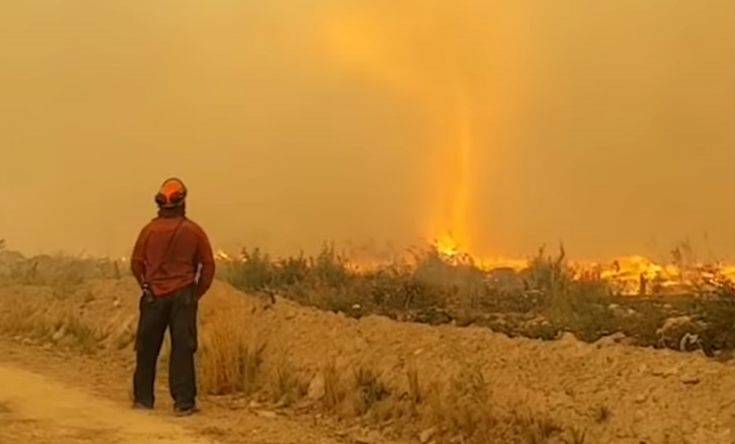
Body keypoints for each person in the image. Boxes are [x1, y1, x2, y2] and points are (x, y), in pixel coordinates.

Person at [130, 178, 215, 416]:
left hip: (153, 296)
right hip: (183, 296)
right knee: (183, 349)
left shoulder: (149, 231)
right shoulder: (194, 231)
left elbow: (136, 264)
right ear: (182, 202)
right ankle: (184, 403)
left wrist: (146, 286)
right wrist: (195, 293)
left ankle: (143, 400)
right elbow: (208, 266)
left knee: (147, 348)